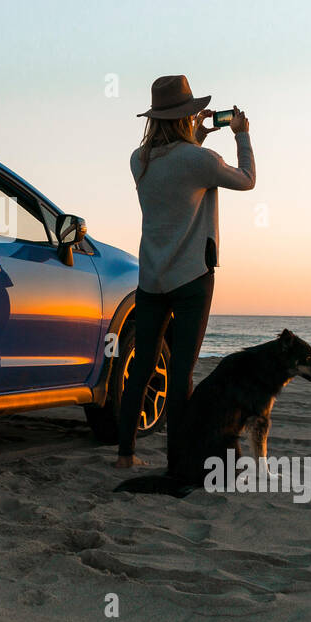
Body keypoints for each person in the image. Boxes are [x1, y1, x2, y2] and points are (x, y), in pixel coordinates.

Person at [114, 74, 255, 469]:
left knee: (141, 366)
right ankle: (177, 460)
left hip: (151, 279)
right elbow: (247, 180)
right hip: (192, 277)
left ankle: (125, 454)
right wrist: (240, 134)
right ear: (187, 116)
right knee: (181, 374)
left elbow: (179, 169)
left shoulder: (137, 160)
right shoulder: (199, 160)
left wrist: (198, 138)